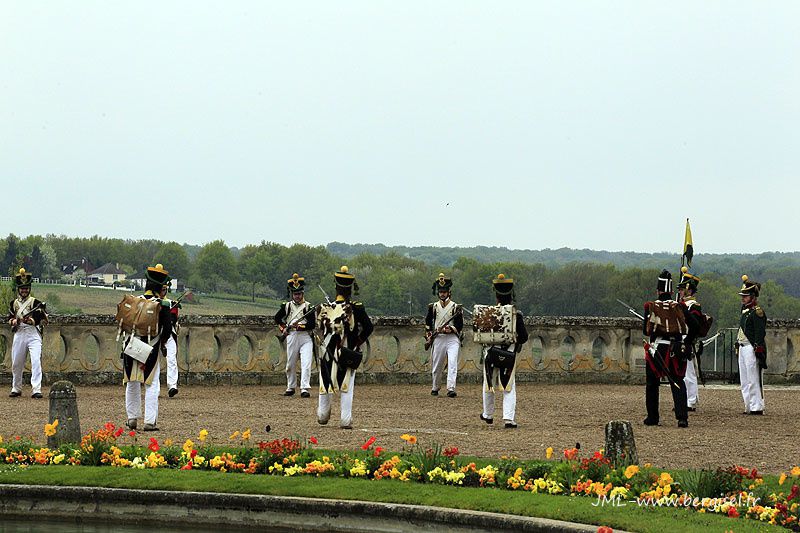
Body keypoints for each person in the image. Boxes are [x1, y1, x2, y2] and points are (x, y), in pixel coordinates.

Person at [316, 266, 373, 429]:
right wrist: (357, 343)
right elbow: (369, 328)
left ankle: (323, 414)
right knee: (346, 388)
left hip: (327, 354)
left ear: (336, 287)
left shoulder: (324, 308)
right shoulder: (357, 308)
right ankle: (345, 419)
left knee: (325, 385)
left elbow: (319, 329)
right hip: (347, 353)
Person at [122, 264, 172, 431]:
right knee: (152, 384)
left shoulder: (134, 300)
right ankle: (150, 421)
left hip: (131, 346)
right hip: (151, 348)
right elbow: (167, 330)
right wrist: (162, 343)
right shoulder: (162, 305)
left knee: (132, 382)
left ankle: (132, 419)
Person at [478, 273, 528, 429]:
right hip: (508, 354)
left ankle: (488, 414)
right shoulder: (516, 315)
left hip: (491, 353)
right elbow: (524, 337)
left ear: (497, 296)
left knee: (488, 384)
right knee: (509, 387)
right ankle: (508, 418)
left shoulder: (489, 313)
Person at [643, 270, 689, 428]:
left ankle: (653, 417)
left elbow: (646, 330)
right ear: (670, 291)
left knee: (652, 384)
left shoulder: (652, 306)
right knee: (678, 382)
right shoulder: (678, 306)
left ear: (658, 291)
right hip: (675, 348)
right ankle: (682, 417)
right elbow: (686, 327)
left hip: (658, 349)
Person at [7, 268, 48, 398]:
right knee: (17, 363)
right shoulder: (13, 303)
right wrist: (14, 322)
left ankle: (36, 389)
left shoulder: (35, 303)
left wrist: (30, 320)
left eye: (26, 288)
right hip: (19, 333)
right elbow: (9, 318)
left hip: (32, 334)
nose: (24, 290)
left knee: (35, 361)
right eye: (22, 288)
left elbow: (41, 317)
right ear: (19, 289)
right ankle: (16, 387)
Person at [275, 273, 316, 398]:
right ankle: (291, 386)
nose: (297, 296)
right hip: (292, 336)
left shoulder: (308, 307)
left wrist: (299, 326)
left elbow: (312, 325)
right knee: (290, 364)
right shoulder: (286, 306)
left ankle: (304, 388)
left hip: (305, 337)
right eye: (295, 294)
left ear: (302, 293)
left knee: (306, 363)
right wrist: (283, 329)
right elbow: (277, 319)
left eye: (299, 294)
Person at [425, 273, 463, 398]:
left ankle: (451, 388)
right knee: (437, 364)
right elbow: (427, 323)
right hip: (438, 338)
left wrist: (450, 329)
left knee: (452, 363)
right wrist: (429, 335)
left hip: (452, 338)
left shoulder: (456, 307)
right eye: (440, 291)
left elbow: (459, 325)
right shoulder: (433, 307)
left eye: (444, 291)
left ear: (448, 292)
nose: (442, 294)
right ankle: (435, 387)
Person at [737, 275, 767, 415]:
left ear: (753, 297)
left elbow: (760, 333)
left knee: (753, 378)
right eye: (743, 295)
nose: (743, 298)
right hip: (742, 347)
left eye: (746, 295)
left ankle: (756, 406)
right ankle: (748, 405)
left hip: (750, 347)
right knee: (744, 380)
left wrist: (758, 348)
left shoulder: (757, 312)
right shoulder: (745, 311)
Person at [677, 266, 704, 411]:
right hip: (679, 339)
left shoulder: (694, 306)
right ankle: (683, 399)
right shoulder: (681, 305)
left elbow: (695, 326)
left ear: (689, 289)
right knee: (680, 372)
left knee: (689, 373)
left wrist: (687, 341)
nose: (680, 291)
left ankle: (691, 401)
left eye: (682, 289)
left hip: (688, 340)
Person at [159, 283, 180, 398]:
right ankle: (154, 388)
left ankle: (172, 386)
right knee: (154, 363)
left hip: (168, 335)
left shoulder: (172, 304)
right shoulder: (151, 302)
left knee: (171, 360)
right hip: (155, 335)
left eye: (165, 289)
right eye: (162, 289)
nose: (163, 291)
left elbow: (173, 320)